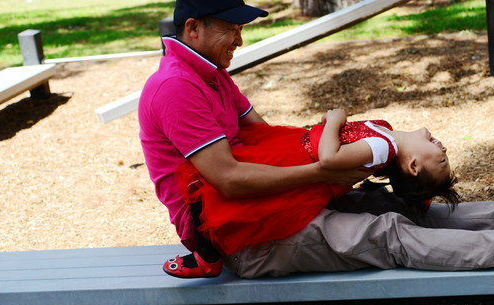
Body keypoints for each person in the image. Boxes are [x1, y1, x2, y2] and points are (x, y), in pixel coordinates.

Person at [138, 0, 494, 280]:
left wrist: (351, 156)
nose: (239, 40)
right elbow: (229, 180)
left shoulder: (210, 73)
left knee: (397, 208)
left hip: (267, 207)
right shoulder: (175, 88)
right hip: (238, 236)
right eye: (231, 29)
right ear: (193, 28)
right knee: (386, 233)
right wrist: (322, 172)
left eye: (240, 29)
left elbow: (267, 140)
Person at [163, 109, 461, 277]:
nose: (444, 148)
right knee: (213, 183)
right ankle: (208, 252)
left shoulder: (384, 147)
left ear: (412, 165)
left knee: (205, 182)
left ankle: (207, 257)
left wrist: (333, 121)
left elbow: (328, 160)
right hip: (295, 149)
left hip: (299, 160)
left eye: (441, 159)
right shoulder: (387, 137)